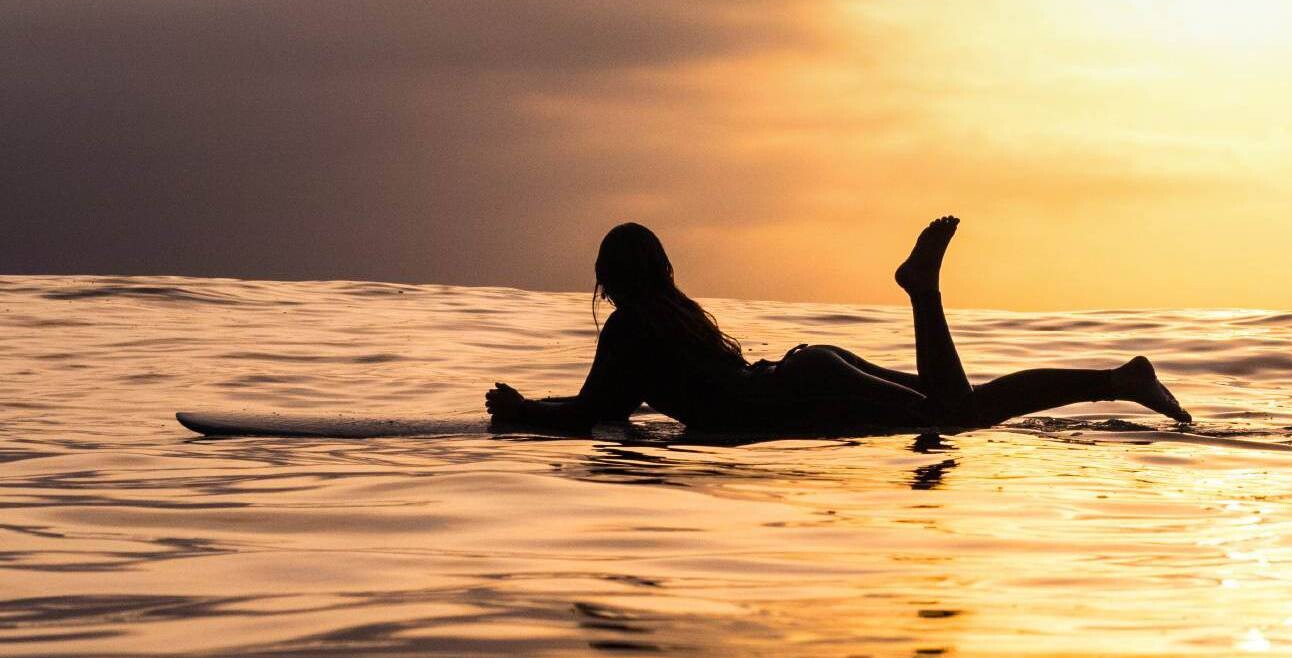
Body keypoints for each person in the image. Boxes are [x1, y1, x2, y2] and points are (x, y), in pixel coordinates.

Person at [485, 216, 1191, 438]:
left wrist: (521, 413)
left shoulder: (628, 332)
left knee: (953, 417)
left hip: (799, 396)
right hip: (806, 370)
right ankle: (1115, 379)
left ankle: (922, 292)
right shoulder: (678, 318)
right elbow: (615, 408)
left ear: (608, 279)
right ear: (662, 268)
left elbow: (595, 413)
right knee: (969, 406)